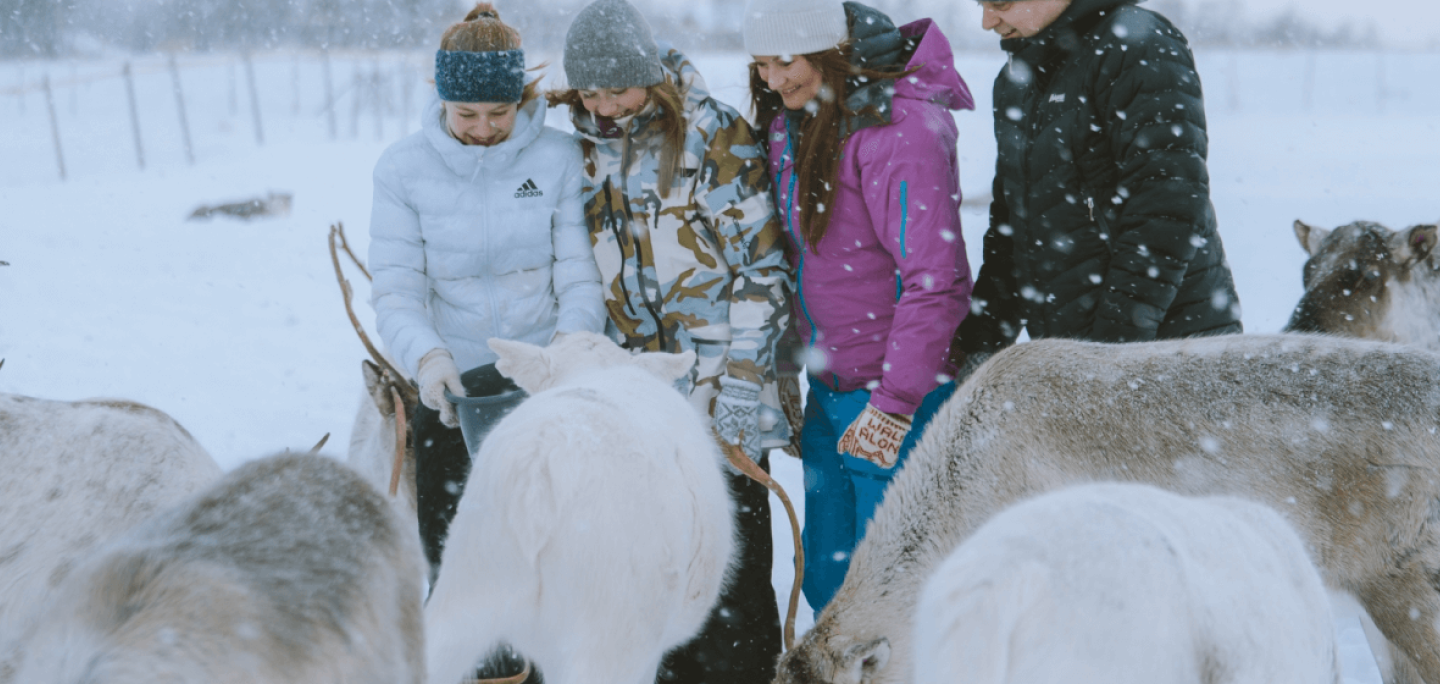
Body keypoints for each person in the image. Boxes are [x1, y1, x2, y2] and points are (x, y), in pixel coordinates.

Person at [547, 0, 794, 679]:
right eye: (589, 92)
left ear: (650, 75)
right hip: (637, 408)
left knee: (732, 579)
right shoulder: (581, 150)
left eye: (618, 89)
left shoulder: (714, 137)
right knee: (657, 576)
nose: (604, 105)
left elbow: (764, 269)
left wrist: (741, 385)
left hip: (720, 400)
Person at [368, 3, 604, 679]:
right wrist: (430, 360)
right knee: (461, 555)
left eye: (498, 113)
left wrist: (561, 357)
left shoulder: (557, 159)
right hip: (457, 393)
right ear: (441, 99)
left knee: (554, 551)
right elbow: (397, 289)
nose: (482, 129)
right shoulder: (403, 170)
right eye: (465, 114)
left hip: (543, 381)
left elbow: (579, 276)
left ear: (520, 98)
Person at [743, 0, 975, 613]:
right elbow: (803, 264)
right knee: (828, 583)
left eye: (785, 61)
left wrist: (895, 404)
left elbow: (935, 278)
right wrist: (792, 366)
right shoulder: (792, 122)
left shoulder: (902, 131)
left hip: (899, 396)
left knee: (899, 593)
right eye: (760, 64)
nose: (771, 79)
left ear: (829, 52)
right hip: (831, 388)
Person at [956, 0, 1242, 364]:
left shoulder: (1136, 46)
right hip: (1077, 363)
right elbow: (1012, 221)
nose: (986, 21)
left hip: (1170, 356)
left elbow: (1167, 209)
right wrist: (979, 343)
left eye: (999, 3)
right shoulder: (1017, 80)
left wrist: (1109, 354)